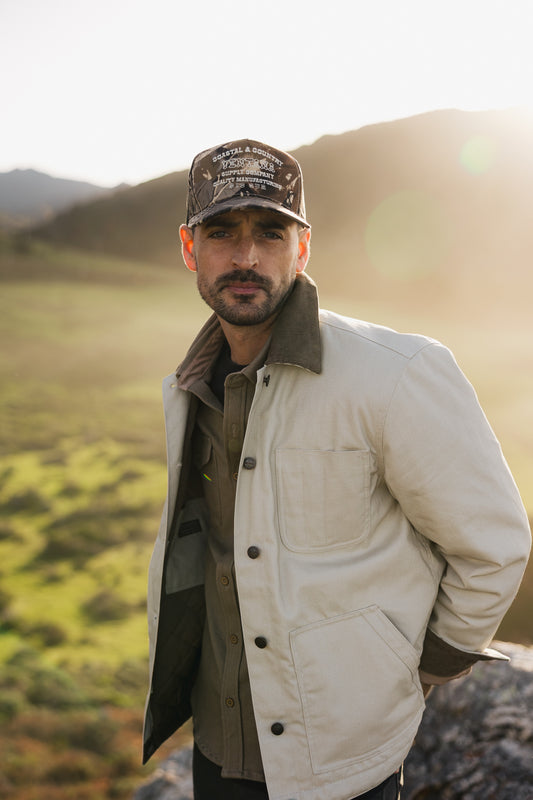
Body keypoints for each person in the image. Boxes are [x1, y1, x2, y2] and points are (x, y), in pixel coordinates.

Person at [142, 139, 531, 800]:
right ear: (189, 249)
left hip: (343, 763)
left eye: (269, 232)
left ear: (302, 248)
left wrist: (420, 668)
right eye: (221, 233)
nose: (244, 257)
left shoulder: (397, 373)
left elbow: (492, 546)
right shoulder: (187, 386)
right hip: (217, 743)